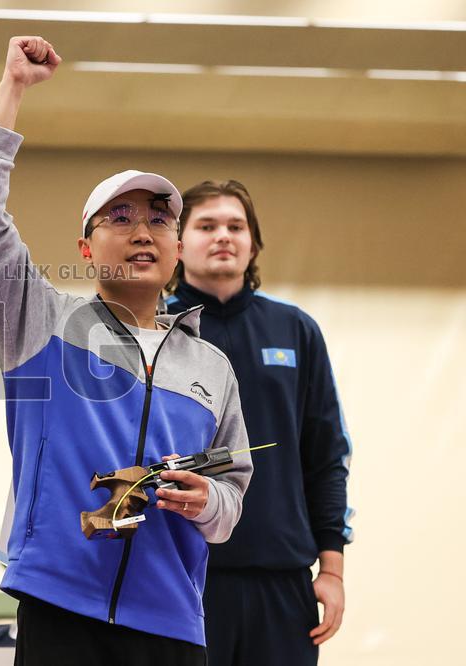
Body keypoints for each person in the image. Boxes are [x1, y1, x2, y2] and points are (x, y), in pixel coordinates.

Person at [0, 36, 253, 665]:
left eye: (158, 220)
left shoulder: (212, 367)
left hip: (172, 620)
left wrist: (207, 501)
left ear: (177, 250)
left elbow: (230, 503)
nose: (141, 232)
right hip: (58, 603)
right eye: (118, 218)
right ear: (86, 247)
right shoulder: (39, 321)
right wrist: (12, 89)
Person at [165, 180, 353, 665]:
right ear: (180, 243)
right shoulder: (151, 329)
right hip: (180, 575)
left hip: (280, 578)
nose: (223, 236)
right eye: (207, 226)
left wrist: (331, 568)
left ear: (254, 244)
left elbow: (326, 454)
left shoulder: (296, 330)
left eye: (236, 226)